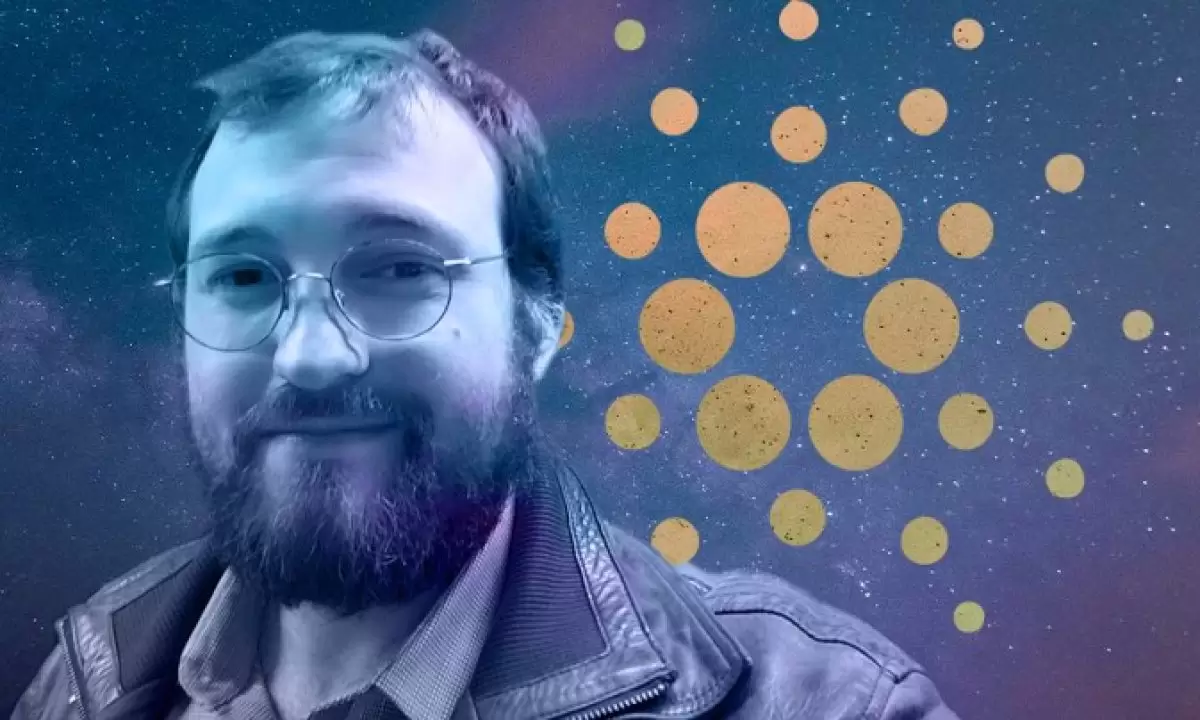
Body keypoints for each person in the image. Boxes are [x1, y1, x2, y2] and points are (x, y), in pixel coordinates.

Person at [10, 29, 959, 720]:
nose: (309, 355)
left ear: (536, 321)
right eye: (245, 278)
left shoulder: (832, 705)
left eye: (398, 270)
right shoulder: (86, 681)